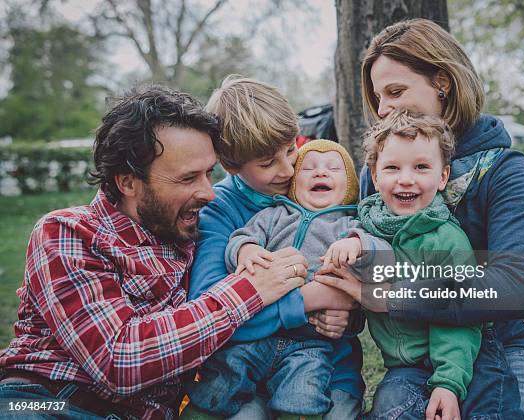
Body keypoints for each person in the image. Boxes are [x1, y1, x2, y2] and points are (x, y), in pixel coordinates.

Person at [0, 86, 307, 419]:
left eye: (209, 173)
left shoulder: (196, 231)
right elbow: (120, 360)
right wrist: (251, 290)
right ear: (129, 182)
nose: (208, 193)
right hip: (50, 401)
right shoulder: (68, 233)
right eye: (188, 178)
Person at [315, 18, 524, 419]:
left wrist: (392, 295)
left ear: (442, 82)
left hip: (503, 346)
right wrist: (338, 300)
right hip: (411, 358)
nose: (383, 108)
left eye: (395, 91)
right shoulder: (381, 171)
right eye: (378, 96)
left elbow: (516, 287)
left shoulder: (503, 168)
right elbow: (352, 255)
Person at [184, 77, 365, 419]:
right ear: (231, 165)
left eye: (291, 147)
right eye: (267, 163)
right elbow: (208, 313)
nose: (288, 169)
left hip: (327, 365)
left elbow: (372, 269)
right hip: (245, 372)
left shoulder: (324, 188)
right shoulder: (220, 211)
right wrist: (312, 298)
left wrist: (352, 308)